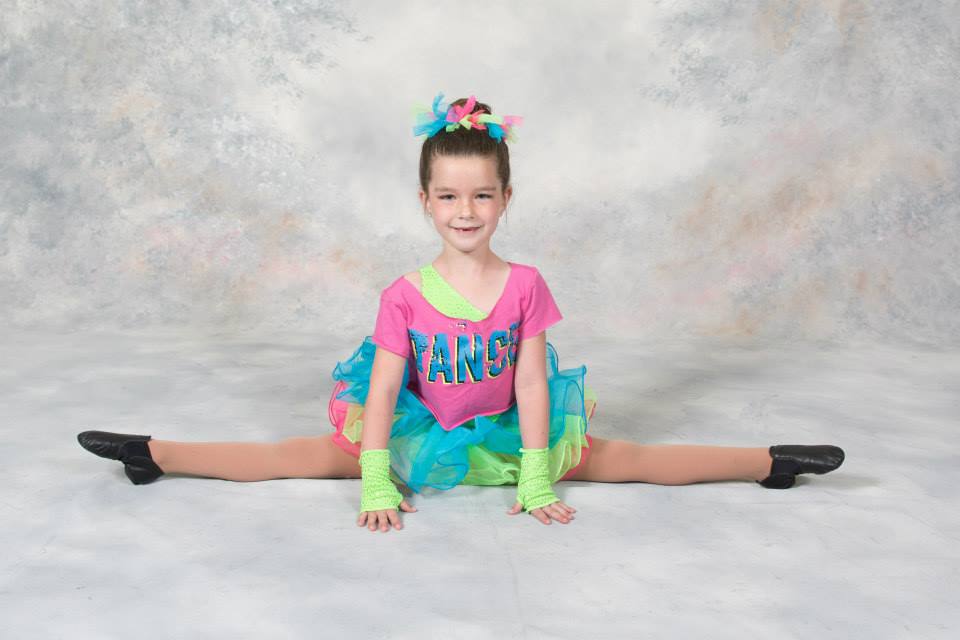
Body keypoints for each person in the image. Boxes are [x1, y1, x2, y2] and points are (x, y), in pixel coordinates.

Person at [77, 92, 845, 534]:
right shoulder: (404, 295)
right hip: (416, 441)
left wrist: (538, 474)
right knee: (293, 455)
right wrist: (375, 477)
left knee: (629, 461)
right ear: (426, 201)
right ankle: (154, 452)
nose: (466, 211)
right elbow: (383, 389)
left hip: (509, 438)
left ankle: (771, 463)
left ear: (505, 198)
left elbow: (533, 383)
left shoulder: (525, 285)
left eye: (482, 195)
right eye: (448, 196)